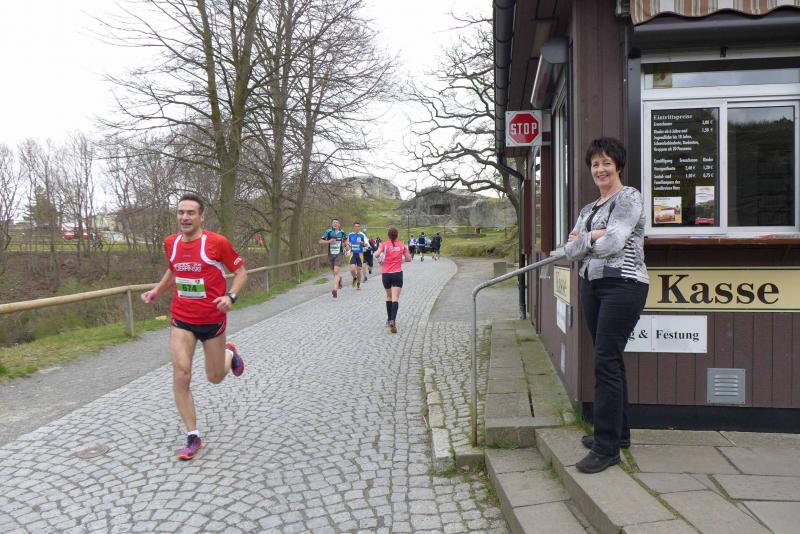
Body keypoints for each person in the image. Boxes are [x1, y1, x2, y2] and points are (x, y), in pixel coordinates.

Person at [141, 193, 248, 461]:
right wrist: (157, 291)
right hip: (182, 318)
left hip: (212, 320)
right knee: (181, 374)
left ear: (201, 217)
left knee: (215, 377)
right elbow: (173, 270)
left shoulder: (217, 243)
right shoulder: (171, 243)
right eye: (181, 212)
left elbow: (241, 273)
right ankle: (193, 436)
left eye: (190, 213)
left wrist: (230, 297)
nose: (185, 217)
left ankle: (230, 353)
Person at [564, 137, 649, 474]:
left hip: (623, 284)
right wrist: (593, 238)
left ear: (618, 165)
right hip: (592, 284)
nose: (600, 169)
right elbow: (569, 251)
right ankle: (619, 434)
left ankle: (606, 447)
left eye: (606, 163)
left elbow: (614, 242)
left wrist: (588, 240)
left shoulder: (629, 198)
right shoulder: (588, 209)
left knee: (604, 361)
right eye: (595, 164)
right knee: (610, 359)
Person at [375, 226, 412, 333]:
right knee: (395, 298)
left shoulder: (384, 245)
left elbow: (376, 254)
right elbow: (409, 259)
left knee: (388, 296)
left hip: (386, 274)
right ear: (397, 235)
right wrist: (402, 257)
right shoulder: (402, 245)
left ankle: (388, 319)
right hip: (397, 274)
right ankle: (393, 320)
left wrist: (381, 260)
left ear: (388, 235)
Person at [320, 218, 347, 298]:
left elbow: (345, 240)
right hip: (331, 254)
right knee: (334, 273)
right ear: (332, 224)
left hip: (339, 253)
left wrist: (346, 245)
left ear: (339, 224)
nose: (335, 224)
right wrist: (329, 241)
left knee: (336, 271)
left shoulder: (342, 232)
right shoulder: (328, 232)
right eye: (333, 223)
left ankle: (335, 289)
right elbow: (320, 241)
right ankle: (339, 279)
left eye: (336, 222)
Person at [347, 222, 369, 289]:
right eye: (355, 226)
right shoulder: (350, 235)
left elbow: (367, 245)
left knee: (359, 271)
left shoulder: (362, 235)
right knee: (352, 269)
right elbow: (347, 243)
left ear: (360, 227)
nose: (357, 228)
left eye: (358, 226)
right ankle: (354, 278)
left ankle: (358, 283)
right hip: (353, 254)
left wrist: (362, 243)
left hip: (360, 254)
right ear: (353, 227)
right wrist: (348, 247)